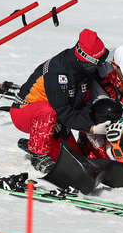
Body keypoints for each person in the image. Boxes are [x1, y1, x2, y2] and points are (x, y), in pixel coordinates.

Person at [10, 29, 110, 172]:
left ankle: (36, 143)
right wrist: (92, 128)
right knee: (48, 111)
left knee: (77, 161)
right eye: (99, 63)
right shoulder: (57, 71)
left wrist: (95, 121)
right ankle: (38, 155)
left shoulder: (84, 70)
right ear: (87, 60)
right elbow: (63, 112)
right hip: (24, 112)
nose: (101, 65)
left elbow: (84, 105)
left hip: (55, 119)